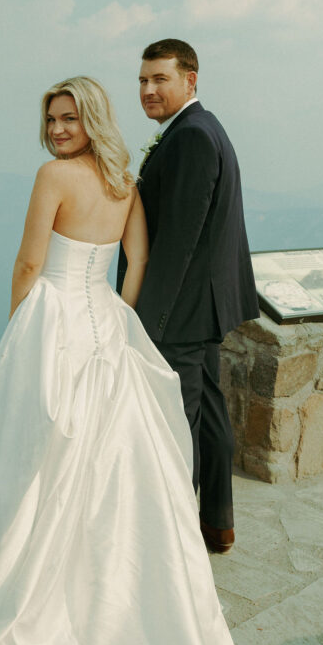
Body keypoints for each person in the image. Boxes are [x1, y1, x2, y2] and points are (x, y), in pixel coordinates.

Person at [0, 76, 243, 645]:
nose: (58, 130)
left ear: (90, 119)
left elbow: (29, 264)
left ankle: (29, 587)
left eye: (69, 118)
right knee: (110, 462)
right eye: (52, 119)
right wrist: (116, 318)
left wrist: (19, 331)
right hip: (105, 324)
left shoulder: (52, 177)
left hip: (53, 322)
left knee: (30, 454)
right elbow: (139, 258)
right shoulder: (124, 180)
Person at [117, 40, 259, 555]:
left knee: (178, 424)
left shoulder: (193, 137)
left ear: (190, 81)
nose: (148, 90)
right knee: (212, 412)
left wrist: (147, 323)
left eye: (160, 79)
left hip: (182, 310)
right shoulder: (198, 128)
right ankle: (217, 523)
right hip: (207, 302)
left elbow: (178, 241)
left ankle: (172, 543)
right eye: (142, 81)